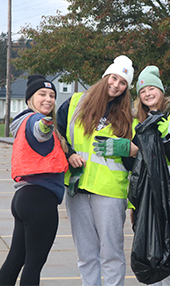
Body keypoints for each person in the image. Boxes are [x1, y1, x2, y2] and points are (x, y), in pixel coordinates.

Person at [57, 55, 137, 286]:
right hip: (78, 187)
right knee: (86, 254)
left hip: (109, 191)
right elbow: (58, 136)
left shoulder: (127, 117)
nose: (116, 85)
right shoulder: (75, 103)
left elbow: (136, 159)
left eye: (123, 83)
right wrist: (69, 154)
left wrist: (129, 150)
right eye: (114, 78)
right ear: (105, 77)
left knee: (111, 254)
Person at [0, 74, 69, 286]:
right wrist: (46, 125)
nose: (48, 99)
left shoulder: (22, 121)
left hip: (23, 198)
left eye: (52, 95)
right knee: (33, 264)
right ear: (30, 99)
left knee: (15, 259)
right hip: (40, 201)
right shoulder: (36, 120)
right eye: (42, 94)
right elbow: (40, 131)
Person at [132, 65, 170, 286]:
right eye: (142, 91)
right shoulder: (138, 123)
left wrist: (162, 133)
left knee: (168, 259)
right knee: (150, 258)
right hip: (147, 199)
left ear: (161, 90)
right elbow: (135, 162)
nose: (148, 94)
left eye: (152, 88)